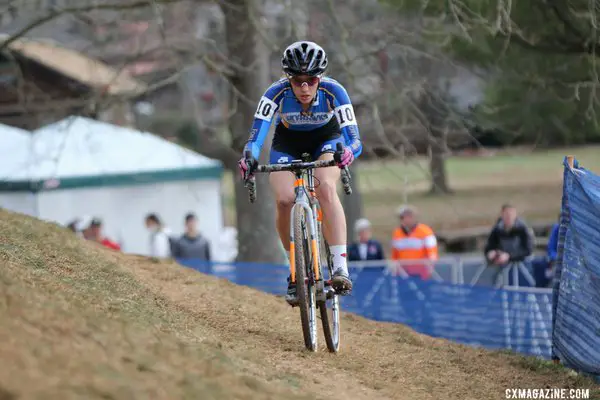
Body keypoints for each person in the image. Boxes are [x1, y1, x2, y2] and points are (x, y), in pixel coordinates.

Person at [238, 41, 362, 306]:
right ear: (288, 79)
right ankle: (295, 271)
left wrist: (348, 152)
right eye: (297, 81)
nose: (304, 88)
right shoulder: (275, 92)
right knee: (284, 200)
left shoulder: (334, 91)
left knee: (325, 188)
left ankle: (340, 267)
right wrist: (249, 155)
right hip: (287, 142)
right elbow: (257, 136)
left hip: (326, 140)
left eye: (311, 80)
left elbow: (354, 139)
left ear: (320, 78)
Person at [484, 204, 534, 286]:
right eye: (506, 214)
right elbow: (490, 246)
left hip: (522, 267)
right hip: (503, 269)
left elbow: (528, 250)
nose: (509, 217)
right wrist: (490, 253)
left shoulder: (523, 229)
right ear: (502, 214)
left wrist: (509, 256)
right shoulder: (497, 229)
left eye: (511, 214)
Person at [390, 205, 438, 280]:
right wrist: (396, 270)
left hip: (421, 273)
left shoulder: (425, 231)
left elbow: (432, 254)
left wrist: (429, 269)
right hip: (403, 274)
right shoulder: (397, 233)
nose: (406, 220)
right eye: (402, 217)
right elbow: (395, 256)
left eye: (408, 216)